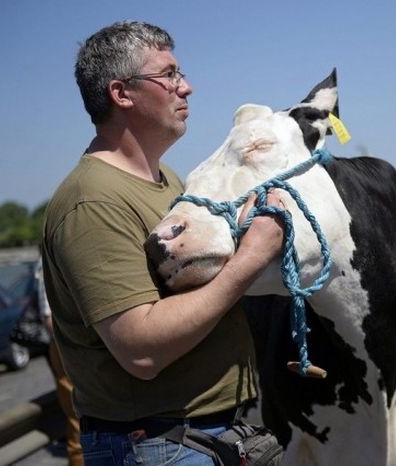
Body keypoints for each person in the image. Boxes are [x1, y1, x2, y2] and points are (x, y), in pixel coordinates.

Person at [41, 21, 284, 465]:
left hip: (201, 434)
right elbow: (142, 349)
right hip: (159, 445)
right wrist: (251, 257)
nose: (186, 87)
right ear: (121, 93)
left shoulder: (169, 182)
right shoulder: (92, 201)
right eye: (169, 75)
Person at [36, 258, 83, 466]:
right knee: (78, 423)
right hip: (69, 345)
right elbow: (48, 316)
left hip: (78, 341)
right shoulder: (52, 255)